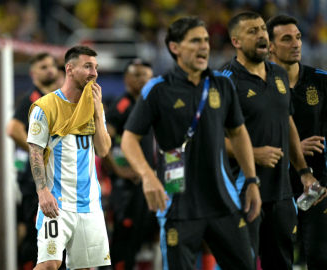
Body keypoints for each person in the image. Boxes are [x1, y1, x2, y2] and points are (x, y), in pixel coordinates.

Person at [121, 17, 261, 270]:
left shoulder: (222, 84)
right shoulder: (157, 89)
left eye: (206, 40)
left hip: (223, 202)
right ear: (175, 47)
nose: (204, 46)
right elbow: (130, 138)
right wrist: (148, 176)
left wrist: (251, 180)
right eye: (195, 41)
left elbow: (238, 133)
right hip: (177, 205)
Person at [222, 12, 321, 269]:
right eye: (252, 31)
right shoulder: (224, 82)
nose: (261, 35)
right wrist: (252, 154)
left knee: (282, 264)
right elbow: (209, 138)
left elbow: (286, 123)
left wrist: (304, 171)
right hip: (242, 190)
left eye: (262, 29)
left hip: (281, 193)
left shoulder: (278, 74)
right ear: (236, 42)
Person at [27, 45, 111, 270]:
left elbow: (103, 150)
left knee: (85, 268)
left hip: (90, 204)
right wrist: (42, 192)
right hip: (57, 202)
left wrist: (97, 112)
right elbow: (35, 153)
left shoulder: (95, 105)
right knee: (48, 265)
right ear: (70, 69)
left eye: (95, 67)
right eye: (87, 66)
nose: (94, 72)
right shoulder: (45, 107)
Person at [267, 14, 327, 269]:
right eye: (287, 39)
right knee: (276, 259)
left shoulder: (320, 80)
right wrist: (293, 150)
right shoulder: (258, 86)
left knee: (319, 256)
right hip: (272, 186)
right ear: (269, 46)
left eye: (298, 37)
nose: (296, 44)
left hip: (316, 186)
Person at [6, 52, 58, 269]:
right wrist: (37, 151)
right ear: (33, 73)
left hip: (53, 178)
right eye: (43, 66)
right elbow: (13, 129)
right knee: (36, 233)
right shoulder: (32, 99)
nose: (50, 69)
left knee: (53, 237)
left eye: (52, 65)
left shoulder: (55, 98)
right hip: (34, 180)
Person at [104, 58, 156, 270]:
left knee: (141, 237)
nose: (142, 79)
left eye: (146, 74)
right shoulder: (122, 106)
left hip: (146, 183)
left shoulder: (151, 104)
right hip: (127, 188)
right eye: (137, 74)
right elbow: (103, 141)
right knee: (124, 240)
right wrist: (118, 170)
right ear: (126, 79)